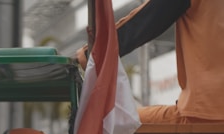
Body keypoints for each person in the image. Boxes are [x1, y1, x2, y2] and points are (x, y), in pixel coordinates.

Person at [76, 0, 224, 124]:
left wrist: (92, 54)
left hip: (205, 111)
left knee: (108, 123)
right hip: (209, 109)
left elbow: (146, 20)